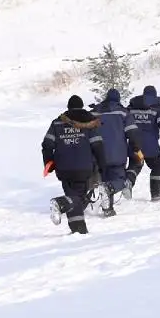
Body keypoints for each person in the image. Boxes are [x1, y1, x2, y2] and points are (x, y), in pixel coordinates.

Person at [42, 95, 107, 234]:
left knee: (72, 197)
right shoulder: (90, 122)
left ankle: (78, 230)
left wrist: (49, 163)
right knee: (78, 199)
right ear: (82, 106)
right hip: (84, 166)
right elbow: (97, 145)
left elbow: (47, 144)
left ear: (68, 107)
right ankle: (61, 203)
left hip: (63, 168)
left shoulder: (57, 123)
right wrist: (102, 165)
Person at [90, 88, 142, 217]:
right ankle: (108, 202)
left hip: (98, 154)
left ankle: (108, 209)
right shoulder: (123, 113)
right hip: (117, 154)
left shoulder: (94, 112)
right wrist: (136, 149)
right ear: (118, 99)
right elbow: (132, 133)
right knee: (120, 181)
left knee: (106, 182)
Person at [126, 85, 160, 201]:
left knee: (135, 165)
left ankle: (128, 182)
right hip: (151, 145)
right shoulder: (158, 108)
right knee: (156, 166)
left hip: (134, 144)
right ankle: (156, 194)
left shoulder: (131, 108)